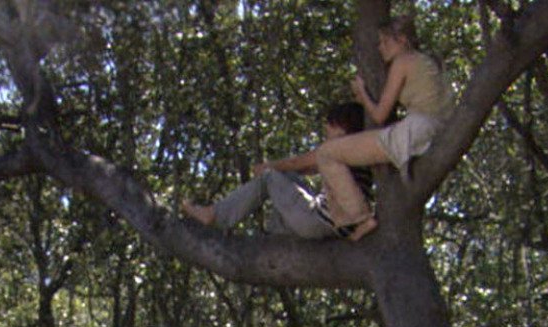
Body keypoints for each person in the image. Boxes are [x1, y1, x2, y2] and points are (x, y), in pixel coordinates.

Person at [182, 101, 377, 241]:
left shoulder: (337, 148)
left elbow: (297, 163)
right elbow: (307, 168)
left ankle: (216, 214)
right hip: (341, 226)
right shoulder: (359, 154)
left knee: (270, 178)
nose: (326, 138)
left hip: (317, 220)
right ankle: (276, 231)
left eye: (329, 131)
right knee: (287, 178)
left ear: (341, 128)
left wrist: (268, 167)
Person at [315, 15, 454, 189]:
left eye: (385, 42)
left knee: (327, 153)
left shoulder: (403, 61)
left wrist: (362, 92)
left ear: (402, 40)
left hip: (416, 132)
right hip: (437, 131)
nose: (380, 48)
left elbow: (380, 115)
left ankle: (359, 216)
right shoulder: (428, 62)